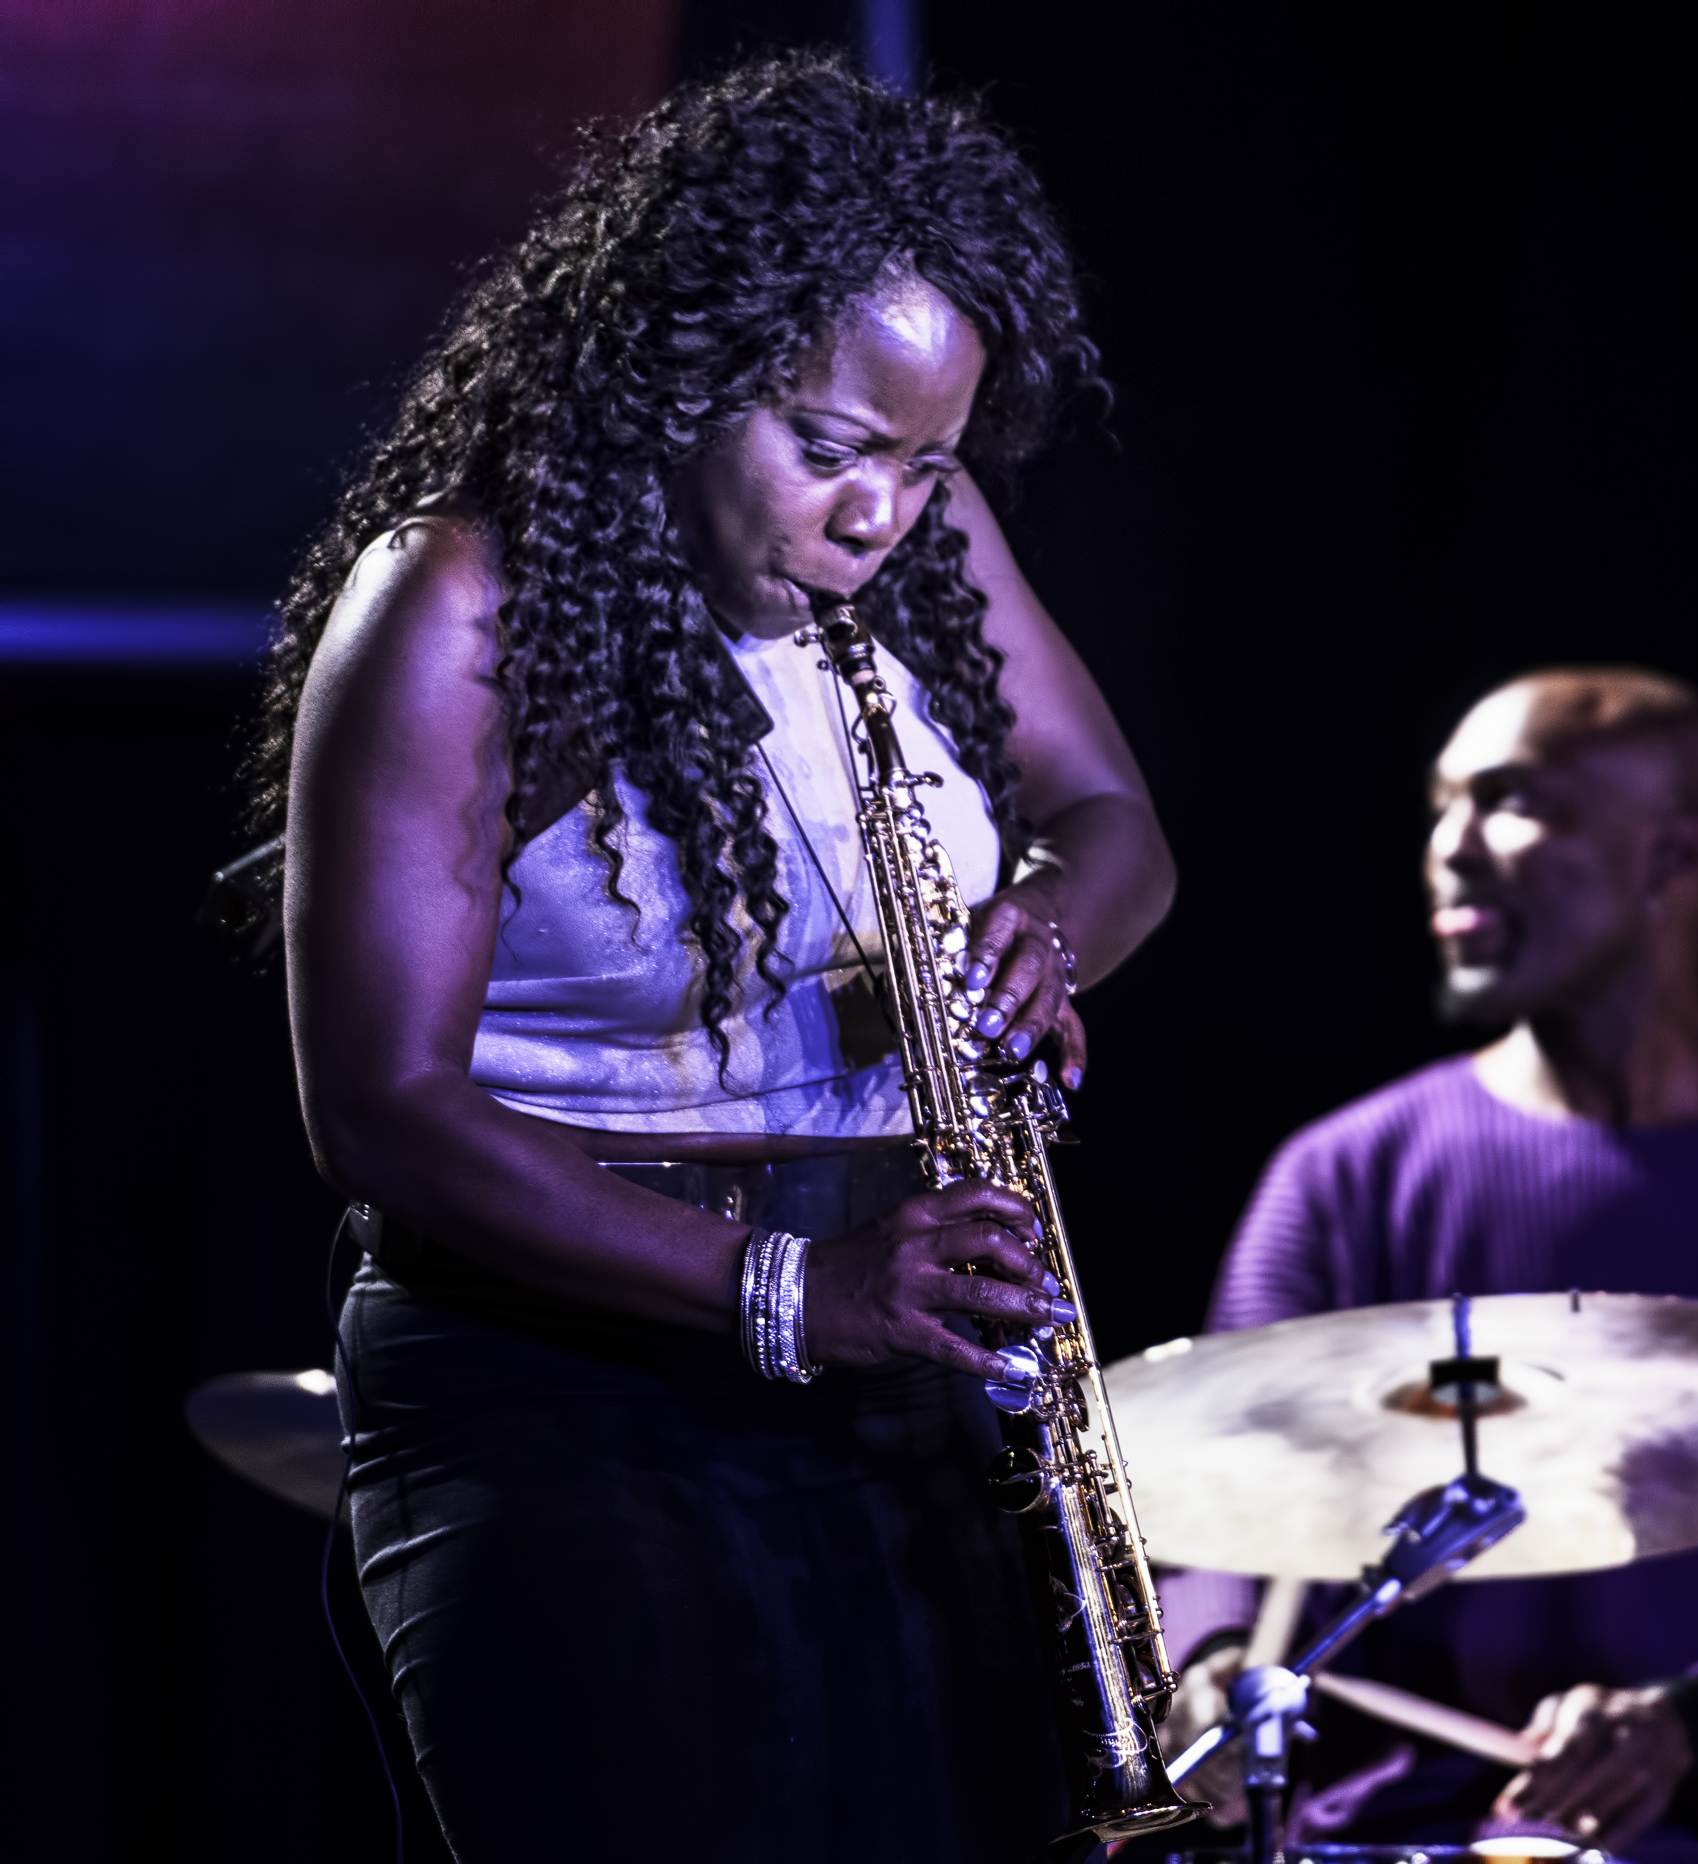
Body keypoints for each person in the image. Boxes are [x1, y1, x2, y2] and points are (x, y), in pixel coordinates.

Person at [256, 57, 1174, 1861]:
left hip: (903, 1337)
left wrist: (1041, 932)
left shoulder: (918, 537)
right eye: (829, 448)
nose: (881, 514)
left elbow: (1113, 813)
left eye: (927, 462)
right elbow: (379, 1103)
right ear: (679, 371)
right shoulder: (459, 600)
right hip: (561, 1378)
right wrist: (789, 1287)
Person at [1164, 669, 1698, 1861]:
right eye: (1440, 806)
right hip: (1412, 1837)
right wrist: (1215, 1667)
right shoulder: (1341, 1180)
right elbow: (1224, 1523)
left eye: (1510, 801)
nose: (1448, 847)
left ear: (1671, 859)